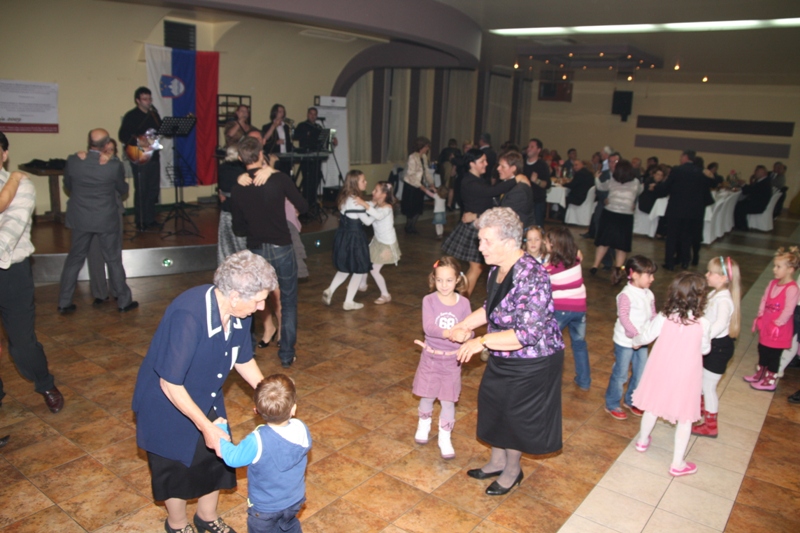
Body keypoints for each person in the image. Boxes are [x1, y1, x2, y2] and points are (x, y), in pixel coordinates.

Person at [131, 250, 276, 533]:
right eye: (258, 300)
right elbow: (170, 383)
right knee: (175, 468)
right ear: (234, 295)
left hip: (205, 392)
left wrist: (267, 393)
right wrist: (206, 426)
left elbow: (242, 359)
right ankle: (177, 524)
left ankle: (207, 518)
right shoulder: (189, 315)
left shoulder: (240, 313)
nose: (261, 308)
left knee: (214, 460)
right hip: (166, 402)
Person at [450, 207, 565, 496]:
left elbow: (527, 334)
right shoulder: (498, 269)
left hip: (533, 360)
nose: (480, 247)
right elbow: (491, 307)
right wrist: (464, 325)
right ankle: (497, 461)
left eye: (487, 241)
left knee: (514, 415)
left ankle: (513, 470)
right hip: (504, 352)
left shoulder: (531, 275)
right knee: (495, 405)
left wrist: (481, 341)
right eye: (480, 240)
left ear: (510, 242)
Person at [0, 132, 64, 414]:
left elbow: (9, 233)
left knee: (22, 344)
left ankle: (45, 383)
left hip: (11, 273)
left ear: (4, 154)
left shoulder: (20, 185)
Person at [231, 137, 308, 368]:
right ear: (261, 154)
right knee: (288, 301)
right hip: (281, 247)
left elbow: (238, 227)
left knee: (251, 300)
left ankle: (248, 350)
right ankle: (286, 355)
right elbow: (304, 206)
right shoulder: (278, 179)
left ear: (240, 158)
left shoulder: (239, 186)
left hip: (256, 250)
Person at [632, 272, 711, 477]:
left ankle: (642, 441)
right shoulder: (703, 323)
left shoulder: (665, 316)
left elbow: (648, 335)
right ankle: (677, 463)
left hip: (660, 368)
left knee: (652, 406)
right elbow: (705, 349)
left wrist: (636, 341)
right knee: (685, 417)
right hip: (686, 374)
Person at [214, 374, 310, 533]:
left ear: (256, 411)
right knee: (289, 525)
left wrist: (221, 433)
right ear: (294, 409)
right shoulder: (301, 428)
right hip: (295, 500)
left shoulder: (257, 440)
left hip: (266, 509)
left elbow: (232, 459)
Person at [58, 129, 138, 314]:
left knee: (74, 260)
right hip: (105, 218)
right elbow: (123, 189)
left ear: (89, 143)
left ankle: (64, 302)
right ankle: (124, 302)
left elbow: (68, 185)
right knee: (113, 260)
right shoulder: (113, 166)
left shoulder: (74, 161)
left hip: (80, 218)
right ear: (106, 144)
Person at [412, 256, 472, 459]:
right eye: (439, 280)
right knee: (427, 396)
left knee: (448, 400)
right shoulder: (429, 300)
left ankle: (444, 437)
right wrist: (451, 333)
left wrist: (466, 335)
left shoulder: (464, 303)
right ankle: (423, 424)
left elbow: (469, 327)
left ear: (457, 280)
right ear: (433, 279)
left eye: (449, 280)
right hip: (431, 359)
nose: (444, 285)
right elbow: (429, 327)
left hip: (452, 361)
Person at [441, 149, 516, 297]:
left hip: (478, 224)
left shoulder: (477, 179)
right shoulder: (469, 181)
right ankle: (459, 302)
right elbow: (492, 192)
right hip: (475, 228)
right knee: (476, 268)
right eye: (482, 161)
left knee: (476, 268)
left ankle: (458, 301)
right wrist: (515, 180)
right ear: (472, 164)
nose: (486, 164)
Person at [604, 256, 658, 421]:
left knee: (640, 372)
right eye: (649, 275)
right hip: (625, 342)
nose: (652, 279)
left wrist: (653, 330)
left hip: (641, 341)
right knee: (621, 374)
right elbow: (624, 317)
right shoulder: (626, 295)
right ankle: (612, 403)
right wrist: (635, 335)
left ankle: (631, 400)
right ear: (634, 275)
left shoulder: (649, 294)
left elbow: (653, 315)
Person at [692, 256, 741, 438]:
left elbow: (719, 324)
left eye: (710, 272)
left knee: (709, 387)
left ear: (723, 278)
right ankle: (699, 411)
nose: (706, 275)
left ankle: (710, 426)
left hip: (718, 348)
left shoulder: (724, 300)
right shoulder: (715, 294)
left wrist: (704, 337)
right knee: (702, 382)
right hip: (712, 345)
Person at [745, 247, 800, 391]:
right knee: (762, 349)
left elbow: (789, 309)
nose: (774, 269)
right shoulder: (772, 283)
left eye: (778, 267)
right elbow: (765, 299)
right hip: (767, 324)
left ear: (790, 270)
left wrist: (778, 323)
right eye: (774, 266)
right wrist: (761, 315)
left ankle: (770, 380)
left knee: (774, 354)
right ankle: (761, 374)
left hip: (779, 329)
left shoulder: (792, 288)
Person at [545, 226, 591, 390]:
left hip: (561, 310)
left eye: (547, 241)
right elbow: (578, 252)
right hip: (580, 309)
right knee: (579, 344)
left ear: (554, 244)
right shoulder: (576, 259)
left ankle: (548, 380)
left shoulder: (550, 268)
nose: (545, 243)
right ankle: (584, 381)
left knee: (550, 344)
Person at [322, 170, 373, 310]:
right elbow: (368, 222)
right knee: (359, 269)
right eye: (363, 181)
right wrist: (375, 212)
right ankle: (349, 301)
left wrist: (367, 205)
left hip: (343, 236)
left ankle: (330, 290)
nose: (366, 182)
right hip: (355, 239)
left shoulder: (345, 198)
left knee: (345, 268)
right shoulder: (356, 202)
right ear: (355, 183)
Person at [656, 150, 712, 270]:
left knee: (672, 237)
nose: (680, 159)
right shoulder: (700, 172)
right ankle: (685, 261)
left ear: (685, 157)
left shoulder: (677, 170)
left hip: (676, 209)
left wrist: (657, 187)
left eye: (681, 157)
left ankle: (670, 262)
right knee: (687, 237)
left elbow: (666, 187)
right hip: (693, 212)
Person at [119, 86, 162, 231]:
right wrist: (139, 141)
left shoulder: (154, 115)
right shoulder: (131, 116)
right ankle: (141, 221)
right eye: (145, 99)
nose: (148, 101)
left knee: (153, 189)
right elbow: (123, 135)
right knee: (142, 189)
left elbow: (161, 131)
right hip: (138, 156)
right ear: (137, 100)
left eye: (150, 99)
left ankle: (150, 219)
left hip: (153, 156)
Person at [590, 160, 642, 275]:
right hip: (626, 216)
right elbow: (639, 191)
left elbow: (600, 187)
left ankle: (595, 265)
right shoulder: (636, 182)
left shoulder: (612, 180)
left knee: (604, 242)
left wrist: (596, 178)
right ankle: (618, 268)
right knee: (621, 245)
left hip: (610, 213)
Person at [359, 181, 400, 304]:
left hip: (386, 244)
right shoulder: (377, 204)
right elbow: (370, 208)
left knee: (374, 270)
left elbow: (377, 215)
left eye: (376, 190)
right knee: (366, 261)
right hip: (378, 241)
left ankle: (386, 295)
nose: (372, 192)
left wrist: (363, 204)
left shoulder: (387, 208)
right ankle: (362, 284)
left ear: (384, 194)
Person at [216, 145, 247, 265]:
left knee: (225, 243)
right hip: (240, 210)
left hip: (226, 209)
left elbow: (221, 188)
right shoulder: (242, 170)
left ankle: (226, 266)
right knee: (241, 243)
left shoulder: (222, 167)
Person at [293, 107, 328, 209]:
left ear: (316, 116)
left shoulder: (319, 127)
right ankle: (306, 202)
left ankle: (313, 201)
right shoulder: (302, 125)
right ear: (308, 115)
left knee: (317, 178)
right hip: (306, 158)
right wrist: (306, 135)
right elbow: (295, 136)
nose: (313, 116)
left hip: (316, 158)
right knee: (308, 180)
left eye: (314, 114)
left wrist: (331, 140)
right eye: (311, 114)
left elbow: (323, 142)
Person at [402, 136, 434, 234]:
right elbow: (410, 174)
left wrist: (431, 183)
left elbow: (426, 171)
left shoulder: (424, 157)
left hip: (419, 185)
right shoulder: (412, 157)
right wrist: (420, 186)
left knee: (418, 207)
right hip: (411, 186)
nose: (428, 149)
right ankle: (408, 227)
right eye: (426, 146)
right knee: (411, 208)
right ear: (421, 146)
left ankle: (413, 226)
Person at [521, 138, 551, 227]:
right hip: (522, 200)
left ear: (538, 150)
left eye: (532, 147)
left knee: (537, 227)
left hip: (537, 202)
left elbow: (547, 184)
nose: (529, 149)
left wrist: (536, 181)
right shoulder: (522, 163)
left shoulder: (542, 165)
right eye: (528, 146)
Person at [734, 165, 773, 230]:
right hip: (757, 202)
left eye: (757, 171)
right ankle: (739, 225)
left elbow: (750, 190)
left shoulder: (764, 183)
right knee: (739, 204)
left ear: (763, 173)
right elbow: (752, 189)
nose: (755, 173)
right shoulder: (764, 181)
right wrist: (744, 185)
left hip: (758, 205)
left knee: (739, 207)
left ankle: (742, 227)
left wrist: (743, 185)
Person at [262, 103, 293, 175]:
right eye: (280, 112)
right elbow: (265, 140)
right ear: (274, 113)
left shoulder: (286, 127)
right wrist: (276, 143)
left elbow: (288, 142)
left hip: (285, 157)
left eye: (283, 112)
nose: (282, 114)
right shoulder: (267, 126)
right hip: (274, 157)